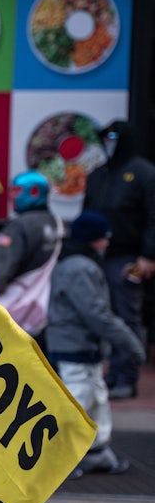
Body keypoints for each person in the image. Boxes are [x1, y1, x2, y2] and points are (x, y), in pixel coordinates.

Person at [46, 210, 145, 479]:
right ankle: (60, 459)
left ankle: (94, 453)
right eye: (103, 238)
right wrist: (131, 344)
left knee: (95, 399)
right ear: (93, 240)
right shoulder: (81, 267)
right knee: (78, 401)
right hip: (74, 347)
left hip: (80, 346)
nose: (107, 243)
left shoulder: (75, 263)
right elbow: (96, 314)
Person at [82, 119, 155, 399]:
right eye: (106, 138)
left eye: (114, 138)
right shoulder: (98, 174)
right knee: (103, 315)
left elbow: (152, 217)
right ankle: (111, 374)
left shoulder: (144, 173)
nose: (109, 142)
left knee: (127, 315)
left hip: (128, 256)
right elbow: (86, 214)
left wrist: (149, 255)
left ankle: (127, 377)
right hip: (98, 256)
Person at [0, 171, 62, 345]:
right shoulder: (57, 223)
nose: (12, 197)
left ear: (34, 192)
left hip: (13, 312)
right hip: (44, 313)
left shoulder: (17, 228)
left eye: (17, 191)